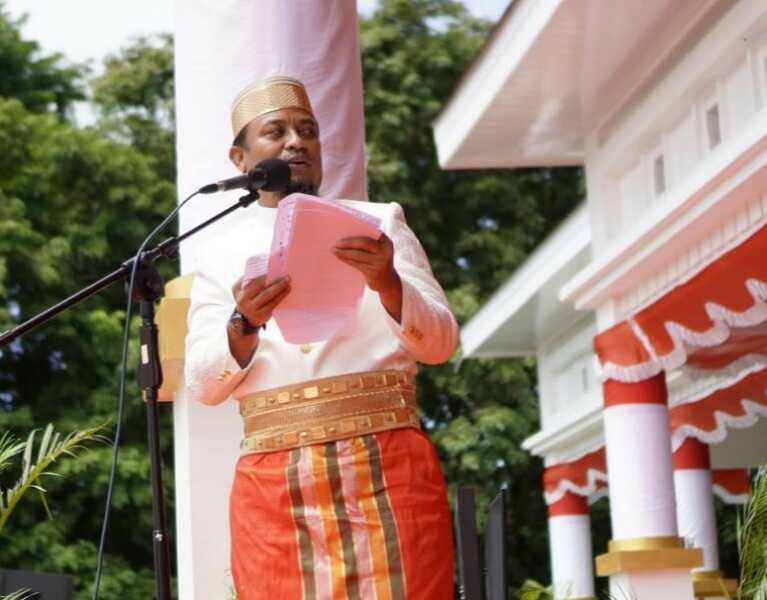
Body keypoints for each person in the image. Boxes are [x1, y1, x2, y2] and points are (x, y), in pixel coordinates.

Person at [185, 76, 459, 600]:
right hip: (274, 483)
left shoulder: (379, 222)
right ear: (240, 158)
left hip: (388, 468)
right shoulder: (216, 253)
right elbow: (203, 384)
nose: (297, 142)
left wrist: (388, 281)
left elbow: (441, 343)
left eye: (308, 131)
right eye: (277, 132)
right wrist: (244, 322)